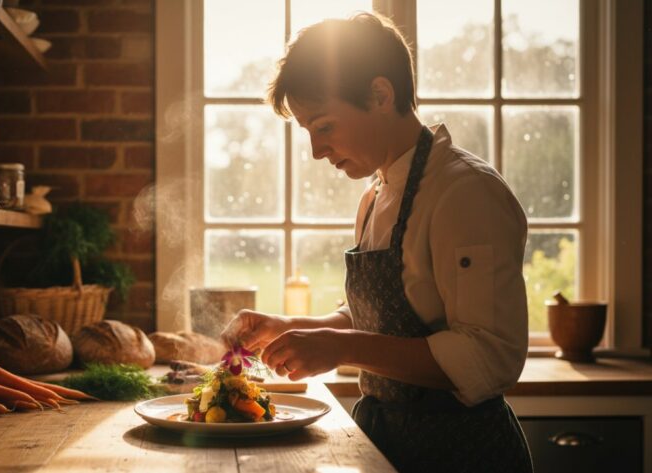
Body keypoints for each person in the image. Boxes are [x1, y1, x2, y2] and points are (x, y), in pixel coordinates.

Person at [220, 12, 533, 473]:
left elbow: (489, 357)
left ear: (380, 95)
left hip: (463, 452)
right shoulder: (376, 194)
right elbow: (377, 317)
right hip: (387, 444)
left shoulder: (465, 192)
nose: (315, 151)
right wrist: (289, 325)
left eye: (324, 126)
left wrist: (341, 347)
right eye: (308, 131)